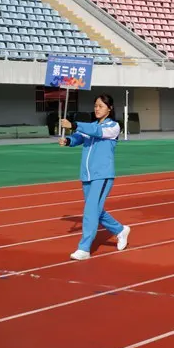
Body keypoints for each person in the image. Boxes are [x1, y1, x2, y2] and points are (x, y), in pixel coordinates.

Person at [59, 93, 131, 260]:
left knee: (90, 211)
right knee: (95, 210)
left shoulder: (113, 127)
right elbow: (79, 137)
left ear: (110, 108)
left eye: (101, 106)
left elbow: (97, 131)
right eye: (95, 106)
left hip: (102, 174)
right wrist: (69, 140)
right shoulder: (90, 126)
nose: (97, 109)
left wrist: (74, 124)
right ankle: (120, 230)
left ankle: (84, 248)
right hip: (87, 175)